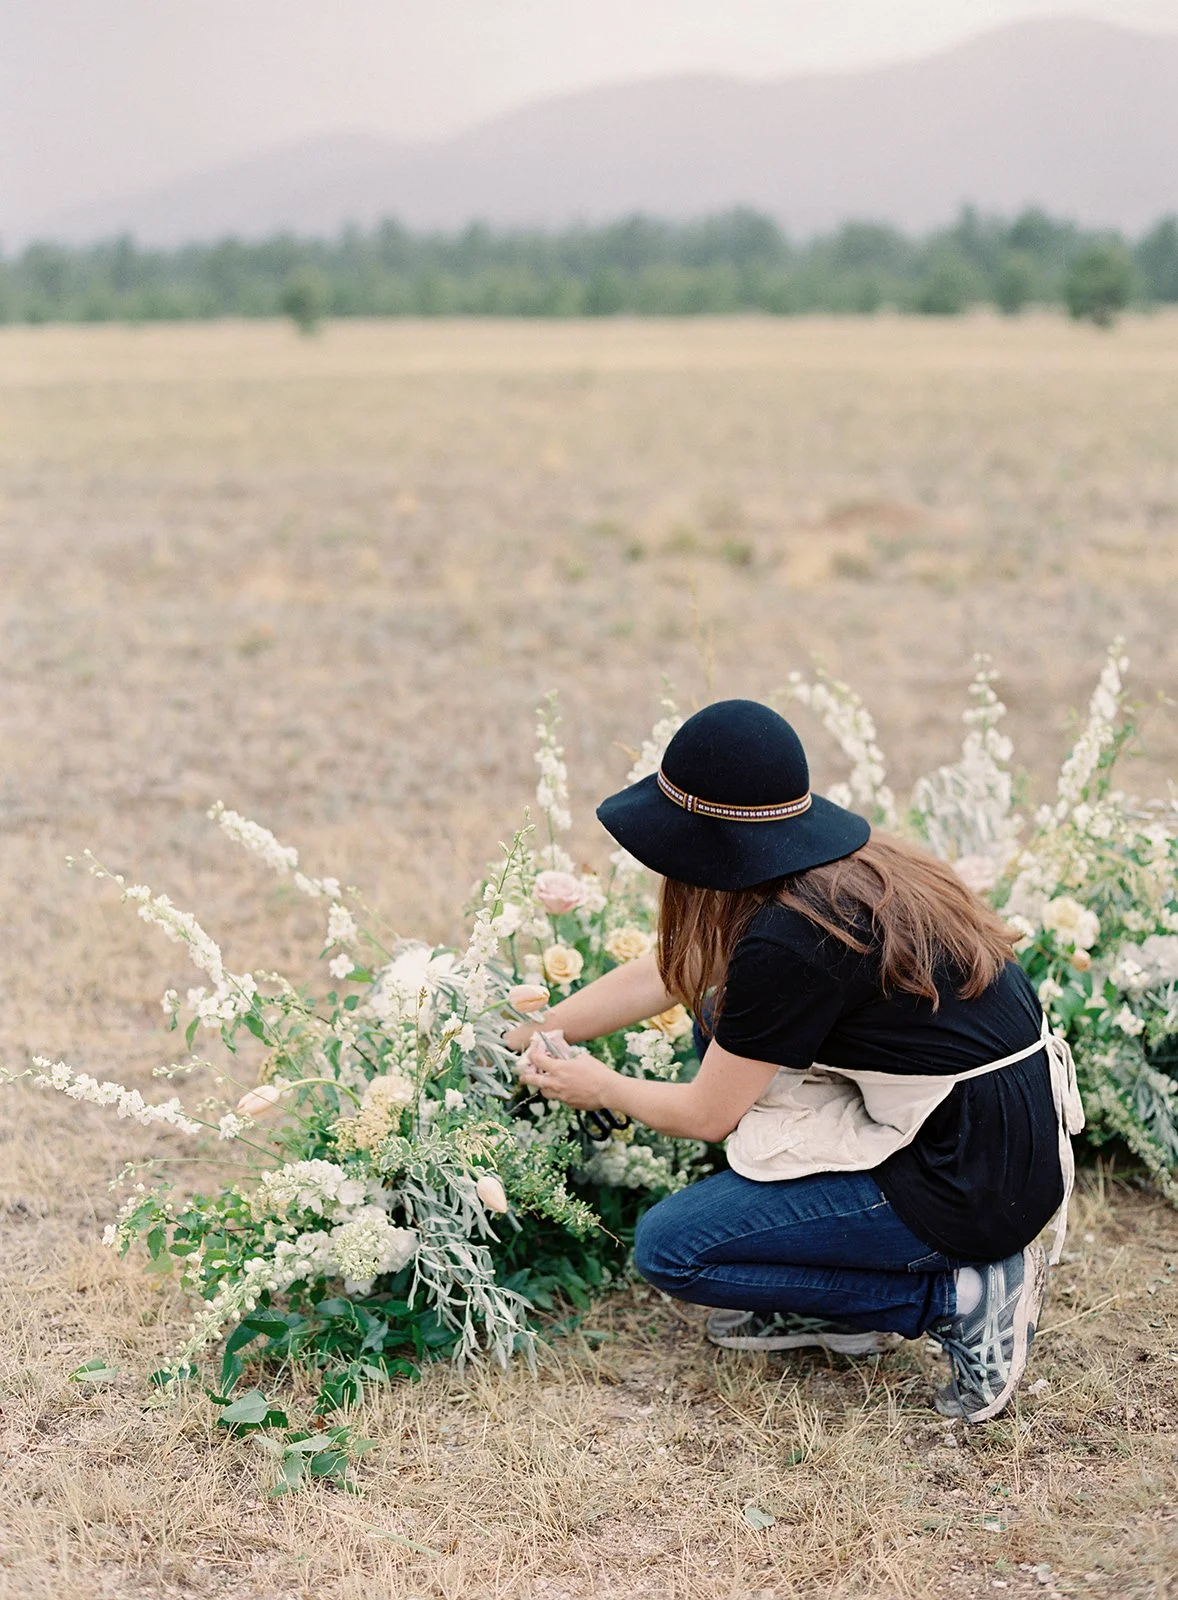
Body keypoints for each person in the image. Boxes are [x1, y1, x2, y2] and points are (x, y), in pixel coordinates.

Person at [508, 699, 1083, 1423]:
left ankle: (962, 1297)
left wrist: (601, 1086)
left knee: (675, 1251)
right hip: (998, 1130)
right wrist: (538, 1029)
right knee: (716, 1017)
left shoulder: (793, 937)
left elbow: (709, 1114)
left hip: (967, 1177)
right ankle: (837, 1303)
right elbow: (673, 970)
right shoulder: (839, 873)